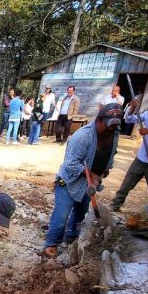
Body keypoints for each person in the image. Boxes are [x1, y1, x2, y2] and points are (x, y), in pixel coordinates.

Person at [42, 104, 121, 257]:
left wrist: (106, 168)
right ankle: (51, 244)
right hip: (70, 181)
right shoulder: (83, 136)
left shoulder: (114, 133)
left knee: (80, 213)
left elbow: (112, 153)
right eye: (108, 126)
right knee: (61, 215)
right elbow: (70, 163)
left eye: (113, 127)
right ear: (98, 120)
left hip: (89, 185)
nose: (110, 129)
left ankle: (72, 237)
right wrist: (91, 175)